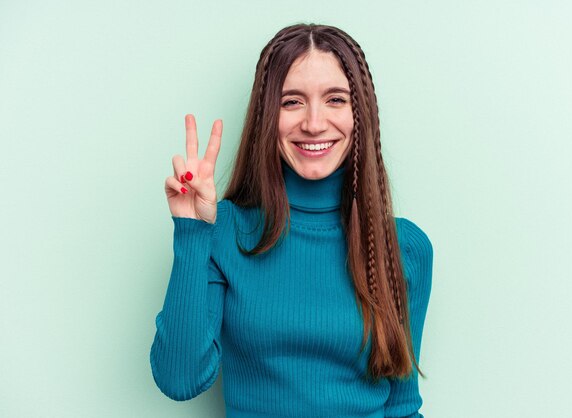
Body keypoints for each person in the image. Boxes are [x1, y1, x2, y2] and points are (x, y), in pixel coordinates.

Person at [150, 23, 433, 418]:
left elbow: (402, 407)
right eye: (292, 102)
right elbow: (179, 380)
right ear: (268, 116)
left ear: (360, 112)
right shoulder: (224, 232)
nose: (314, 123)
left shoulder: (403, 248)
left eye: (335, 99)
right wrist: (192, 232)